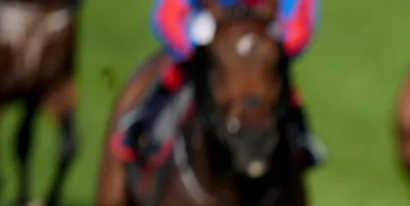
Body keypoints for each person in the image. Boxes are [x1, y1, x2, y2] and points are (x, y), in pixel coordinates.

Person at [114, 0, 325, 168]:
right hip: (207, 40)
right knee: (178, 70)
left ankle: (300, 136)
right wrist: (193, 41)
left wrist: (277, 40)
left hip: (259, 41)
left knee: (272, 77)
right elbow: (167, 15)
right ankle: (143, 125)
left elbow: (299, 25)